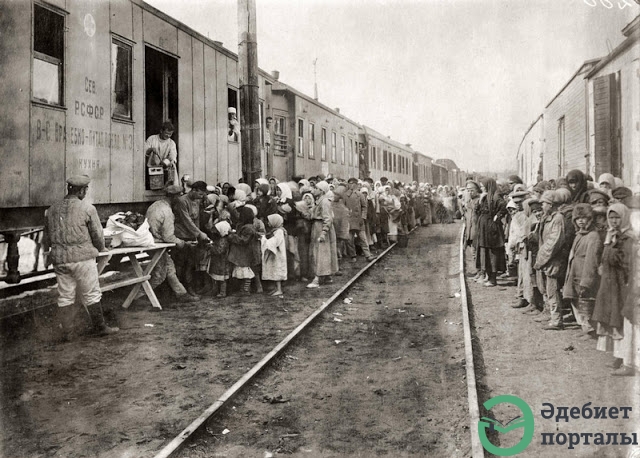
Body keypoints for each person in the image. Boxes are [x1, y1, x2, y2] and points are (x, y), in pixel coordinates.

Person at [42, 175, 118, 339]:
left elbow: (46, 238)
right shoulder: (88, 208)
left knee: (65, 295)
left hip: (60, 260)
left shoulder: (51, 209)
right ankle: (100, 327)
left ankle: (68, 333)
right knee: (91, 293)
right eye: (86, 189)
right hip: (82, 259)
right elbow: (98, 236)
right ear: (82, 190)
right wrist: (102, 249)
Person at [133, 185, 199, 306]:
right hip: (155, 244)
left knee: (170, 268)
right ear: (174, 197)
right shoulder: (167, 212)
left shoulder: (156, 205)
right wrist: (184, 243)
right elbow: (168, 237)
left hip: (149, 240)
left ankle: (181, 294)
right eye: (179, 196)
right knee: (160, 275)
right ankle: (137, 296)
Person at [172, 180, 210, 295]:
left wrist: (198, 236)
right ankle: (177, 289)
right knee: (180, 262)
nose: (201, 197)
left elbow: (196, 220)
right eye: (200, 194)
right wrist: (199, 233)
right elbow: (186, 220)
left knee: (190, 263)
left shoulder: (196, 201)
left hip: (192, 236)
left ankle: (189, 287)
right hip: (181, 235)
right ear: (193, 190)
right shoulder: (182, 201)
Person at [307, 181, 339, 288]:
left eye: (316, 188)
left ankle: (317, 278)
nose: (314, 190)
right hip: (317, 226)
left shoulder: (324, 202)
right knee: (322, 252)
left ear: (321, 191)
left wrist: (323, 233)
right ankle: (326, 276)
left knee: (321, 253)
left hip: (321, 227)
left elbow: (327, 218)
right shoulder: (319, 201)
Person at [344, 178, 375, 262]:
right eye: (350, 183)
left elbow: (364, 207)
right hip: (349, 220)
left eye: (353, 183)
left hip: (359, 220)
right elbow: (343, 207)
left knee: (363, 238)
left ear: (356, 184)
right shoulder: (346, 195)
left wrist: (363, 217)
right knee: (349, 239)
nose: (351, 185)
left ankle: (368, 255)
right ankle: (353, 255)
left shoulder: (360, 195)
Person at [261, 214, 287, 296]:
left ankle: (279, 289)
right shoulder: (275, 230)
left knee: (277, 271)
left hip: (278, 255)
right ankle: (276, 288)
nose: (268, 223)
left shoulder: (279, 231)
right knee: (274, 270)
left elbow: (275, 242)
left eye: (269, 221)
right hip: (275, 254)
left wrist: (264, 239)